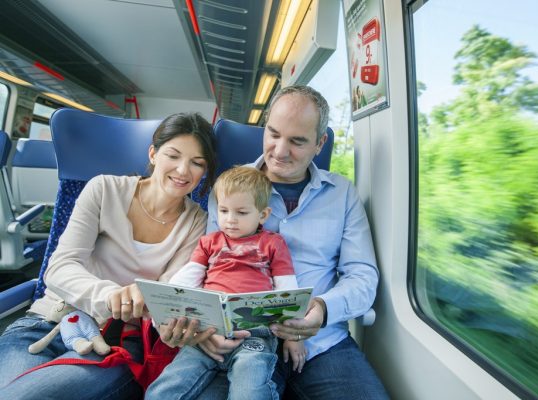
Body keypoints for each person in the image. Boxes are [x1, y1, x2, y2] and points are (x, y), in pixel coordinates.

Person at [0, 112, 219, 400]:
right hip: (48, 321)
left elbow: (167, 295)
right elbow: (60, 267)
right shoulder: (104, 188)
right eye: (173, 156)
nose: (182, 170)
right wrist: (111, 295)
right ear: (153, 154)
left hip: (114, 340)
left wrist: (172, 325)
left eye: (197, 163)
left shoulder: (197, 222)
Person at [201, 85, 389, 399]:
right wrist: (203, 327)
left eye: (297, 141)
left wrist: (322, 310)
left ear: (320, 143)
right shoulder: (227, 189)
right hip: (242, 339)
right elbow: (206, 266)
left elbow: (363, 277)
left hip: (321, 343)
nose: (279, 150)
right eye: (273, 134)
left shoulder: (342, 194)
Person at [146, 166, 305, 399]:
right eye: (223, 210)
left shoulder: (272, 244)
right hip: (207, 330)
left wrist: (293, 335)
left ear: (262, 215)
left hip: (255, 333)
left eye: (241, 213)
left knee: (249, 389)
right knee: (165, 389)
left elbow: (287, 290)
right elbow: (186, 279)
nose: (230, 220)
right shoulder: (209, 243)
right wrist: (163, 304)